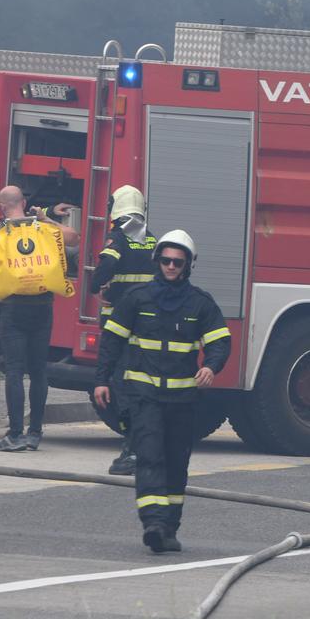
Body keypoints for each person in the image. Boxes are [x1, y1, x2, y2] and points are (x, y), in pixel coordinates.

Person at [92, 230, 231, 553]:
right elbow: (111, 341)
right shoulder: (138, 299)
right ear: (158, 261)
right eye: (166, 260)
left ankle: (169, 527)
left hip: (182, 400)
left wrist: (211, 366)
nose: (171, 267)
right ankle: (152, 523)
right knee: (150, 457)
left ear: (187, 266)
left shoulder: (200, 303)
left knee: (176, 463)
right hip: (145, 397)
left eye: (177, 262)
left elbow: (220, 342)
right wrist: (101, 380)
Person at [0, 185, 78, 453]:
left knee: (14, 371)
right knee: (38, 371)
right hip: (43, 307)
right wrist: (46, 218)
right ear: (23, 202)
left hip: (12, 309)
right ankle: (35, 433)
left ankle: (14, 435)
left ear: (1, 206)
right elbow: (73, 237)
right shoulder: (41, 227)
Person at [90, 185, 157, 476]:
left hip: (119, 324)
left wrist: (96, 287)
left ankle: (132, 449)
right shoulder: (150, 239)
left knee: (121, 384)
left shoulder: (120, 237)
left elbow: (106, 267)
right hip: (146, 325)